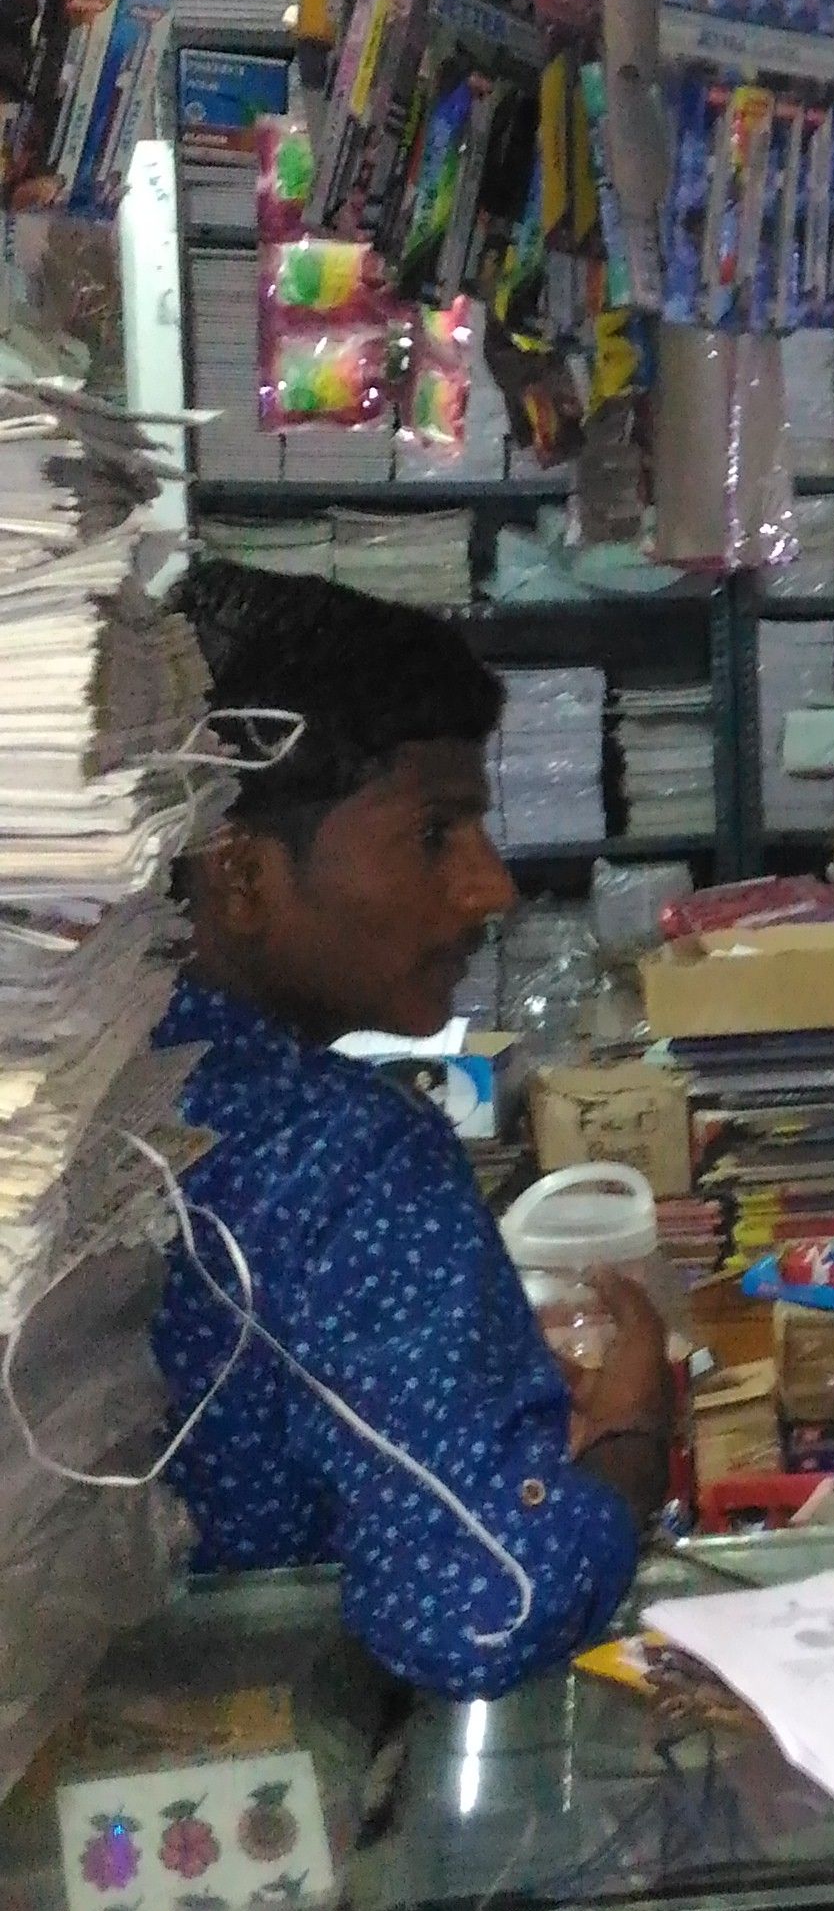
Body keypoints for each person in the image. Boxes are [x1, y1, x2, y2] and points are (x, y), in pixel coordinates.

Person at [150, 561, 672, 1697]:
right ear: (240, 874)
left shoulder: (124, 1083)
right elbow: (482, 1608)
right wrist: (630, 1444)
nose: (492, 889)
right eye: (435, 834)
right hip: (302, 1786)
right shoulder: (346, 1156)